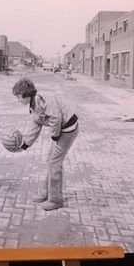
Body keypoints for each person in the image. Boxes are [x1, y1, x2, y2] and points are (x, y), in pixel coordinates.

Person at [12, 77, 78, 210]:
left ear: (26, 94)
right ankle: (46, 193)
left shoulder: (42, 100)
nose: (18, 100)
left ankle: (55, 200)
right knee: (51, 161)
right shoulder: (33, 106)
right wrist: (24, 145)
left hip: (68, 130)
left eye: (18, 96)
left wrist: (55, 137)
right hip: (61, 131)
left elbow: (56, 117)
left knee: (54, 162)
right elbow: (35, 127)